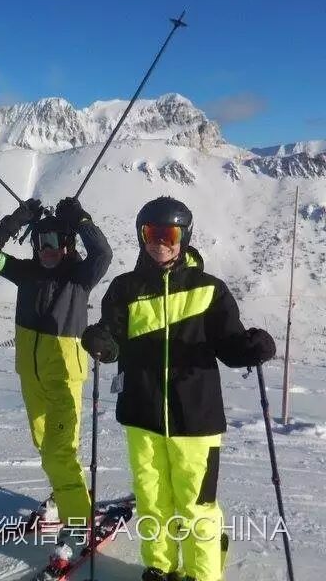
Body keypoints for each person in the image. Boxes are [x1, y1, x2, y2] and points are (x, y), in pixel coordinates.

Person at [81, 197, 276, 581]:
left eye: (168, 234)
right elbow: (113, 338)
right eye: (150, 233)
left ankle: (201, 574)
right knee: (152, 498)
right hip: (142, 412)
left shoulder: (209, 290)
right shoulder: (125, 289)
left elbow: (230, 345)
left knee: (196, 504)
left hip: (196, 417)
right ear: (141, 236)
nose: (159, 243)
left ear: (184, 237)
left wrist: (252, 348)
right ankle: (160, 565)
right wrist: (100, 341)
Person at [0, 197, 112, 541]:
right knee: (43, 444)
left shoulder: (79, 277)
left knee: (58, 452)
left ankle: (79, 520)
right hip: (31, 375)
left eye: (54, 241)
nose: (47, 249)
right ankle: (63, 495)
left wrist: (81, 220)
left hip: (64, 376)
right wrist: (15, 221)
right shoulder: (26, 273)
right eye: (40, 242)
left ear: (67, 244)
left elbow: (102, 255)